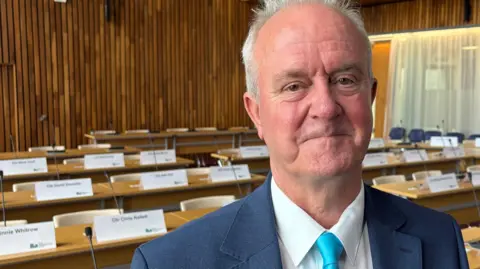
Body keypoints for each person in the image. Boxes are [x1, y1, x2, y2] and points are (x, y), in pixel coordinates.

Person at [131, 0, 468, 268]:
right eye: (294, 86)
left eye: (345, 80)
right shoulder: (169, 262)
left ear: (371, 97)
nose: (325, 107)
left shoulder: (441, 239)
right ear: (256, 113)